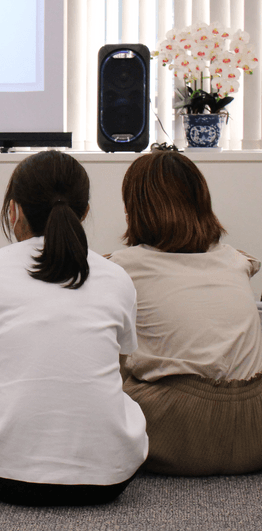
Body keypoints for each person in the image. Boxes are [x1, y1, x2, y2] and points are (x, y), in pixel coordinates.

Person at [0, 150, 147, 506]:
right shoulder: (117, 278)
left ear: (14, 210)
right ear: (83, 212)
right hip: (110, 477)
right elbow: (120, 369)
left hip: (2, 477)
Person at [108, 150, 262, 476]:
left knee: (105, 363)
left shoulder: (124, 266)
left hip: (178, 429)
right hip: (255, 426)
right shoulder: (235, 260)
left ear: (134, 209)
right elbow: (251, 261)